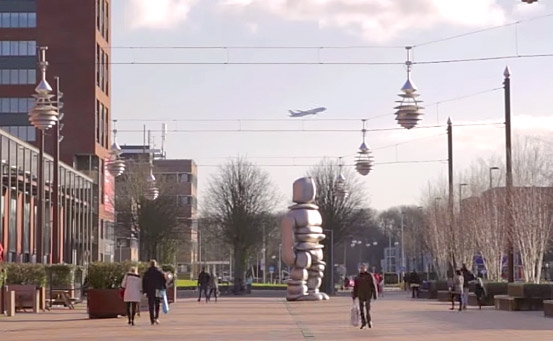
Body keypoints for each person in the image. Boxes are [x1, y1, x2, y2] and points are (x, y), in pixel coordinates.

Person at [352, 264, 377, 329]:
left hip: (368, 295)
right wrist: (354, 296)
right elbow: (355, 287)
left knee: (367, 309)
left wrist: (375, 294)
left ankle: (369, 321)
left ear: (366, 268)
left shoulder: (369, 275)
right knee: (361, 310)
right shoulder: (358, 277)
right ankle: (363, 323)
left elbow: (373, 285)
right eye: (361, 268)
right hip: (361, 295)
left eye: (363, 268)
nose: (362, 269)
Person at [142, 260, 167, 325]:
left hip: (150, 290)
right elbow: (164, 280)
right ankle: (156, 317)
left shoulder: (147, 272)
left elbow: (144, 282)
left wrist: (144, 290)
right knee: (157, 304)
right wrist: (164, 288)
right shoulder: (159, 272)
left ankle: (152, 319)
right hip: (158, 289)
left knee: (151, 305)